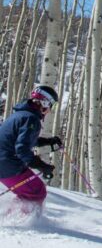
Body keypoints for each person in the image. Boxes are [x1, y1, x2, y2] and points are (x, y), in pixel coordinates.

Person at [0, 85, 62, 213]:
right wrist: (41, 166)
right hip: (8, 164)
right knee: (37, 192)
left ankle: (10, 216)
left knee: (28, 193)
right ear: (44, 102)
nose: (50, 110)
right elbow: (22, 148)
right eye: (52, 106)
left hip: (4, 162)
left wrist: (47, 142)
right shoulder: (31, 119)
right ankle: (24, 222)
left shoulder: (20, 115)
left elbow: (20, 140)